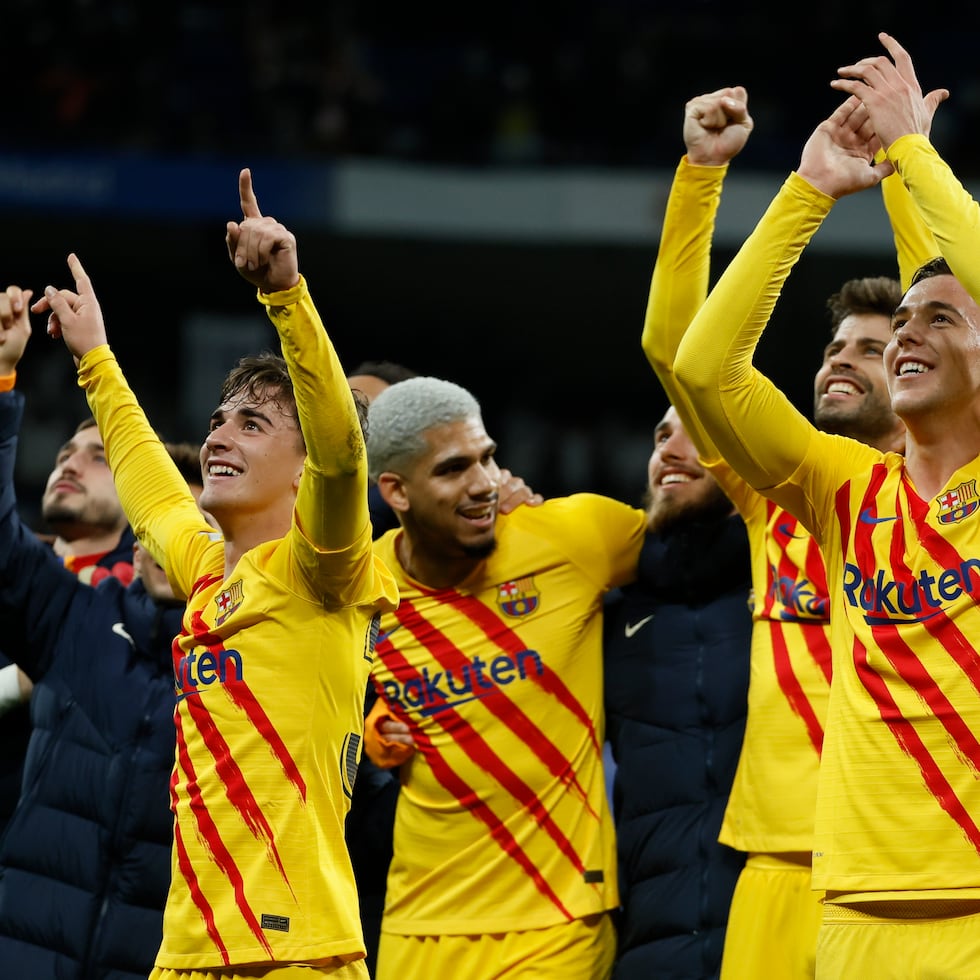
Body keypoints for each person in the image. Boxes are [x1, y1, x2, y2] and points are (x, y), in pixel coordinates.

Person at [35, 168, 398, 978]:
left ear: (302, 477)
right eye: (218, 420)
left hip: (295, 954)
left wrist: (287, 298)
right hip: (186, 953)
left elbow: (343, 452)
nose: (221, 436)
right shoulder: (209, 579)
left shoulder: (322, 571)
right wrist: (94, 357)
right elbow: (151, 487)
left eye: (254, 423)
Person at [672, 35, 980, 977]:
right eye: (903, 323)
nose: (904, 338)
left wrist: (914, 156)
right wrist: (806, 193)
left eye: (943, 317)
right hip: (849, 906)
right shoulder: (845, 492)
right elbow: (701, 368)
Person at [641, 87, 918, 979]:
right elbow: (676, 347)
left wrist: (911, 169)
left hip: (912, 863)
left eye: (868, 348)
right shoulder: (778, 496)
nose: (838, 357)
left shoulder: (955, 507)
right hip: (771, 867)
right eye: (833, 346)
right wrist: (702, 178)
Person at [359, 375, 647, 979]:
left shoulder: (572, 537)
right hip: (418, 921)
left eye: (488, 458)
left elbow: (713, 542)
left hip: (558, 917)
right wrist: (373, 724)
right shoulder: (360, 587)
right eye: (453, 468)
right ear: (396, 491)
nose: (485, 483)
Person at [602, 402, 753, 979]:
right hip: (648, 944)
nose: (670, 449)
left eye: (699, 434)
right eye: (661, 434)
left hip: (779, 929)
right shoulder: (604, 610)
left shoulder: (795, 589)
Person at [0, 410, 136, 834]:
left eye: (99, 458)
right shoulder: (14, 566)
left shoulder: (149, 608)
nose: (70, 465)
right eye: (66, 454)